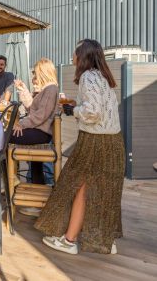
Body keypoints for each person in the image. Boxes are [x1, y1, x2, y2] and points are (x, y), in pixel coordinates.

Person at [35, 39, 125, 255]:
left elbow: (93, 113)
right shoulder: (103, 77)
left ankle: (68, 240)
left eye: (75, 52)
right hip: (113, 141)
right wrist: (77, 105)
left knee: (76, 187)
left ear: (82, 55)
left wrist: (72, 111)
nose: (72, 56)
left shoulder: (87, 76)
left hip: (94, 141)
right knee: (103, 191)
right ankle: (105, 240)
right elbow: (100, 108)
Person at [10, 58, 59, 216]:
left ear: (43, 72)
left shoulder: (50, 89)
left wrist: (21, 124)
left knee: (4, 137)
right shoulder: (47, 89)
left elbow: (39, 117)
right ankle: (38, 202)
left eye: (36, 73)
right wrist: (23, 90)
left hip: (40, 133)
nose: (34, 76)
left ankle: (9, 179)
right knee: (35, 163)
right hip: (41, 131)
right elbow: (33, 109)